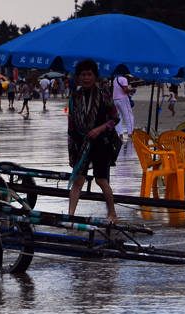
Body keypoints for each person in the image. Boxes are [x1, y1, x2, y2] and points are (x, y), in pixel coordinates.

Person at [67, 59, 120, 222]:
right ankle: (70, 216)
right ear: (78, 77)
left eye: (90, 74)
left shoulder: (104, 96)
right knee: (78, 180)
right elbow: (70, 125)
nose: (86, 78)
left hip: (100, 144)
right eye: (83, 74)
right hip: (80, 144)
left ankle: (112, 213)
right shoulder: (74, 97)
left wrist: (99, 129)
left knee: (101, 180)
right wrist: (70, 152)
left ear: (95, 76)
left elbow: (115, 118)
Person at [112, 73, 135, 140]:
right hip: (123, 98)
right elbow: (125, 89)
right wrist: (131, 90)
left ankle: (120, 133)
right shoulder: (124, 79)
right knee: (129, 115)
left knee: (119, 116)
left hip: (115, 98)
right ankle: (130, 133)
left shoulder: (115, 79)